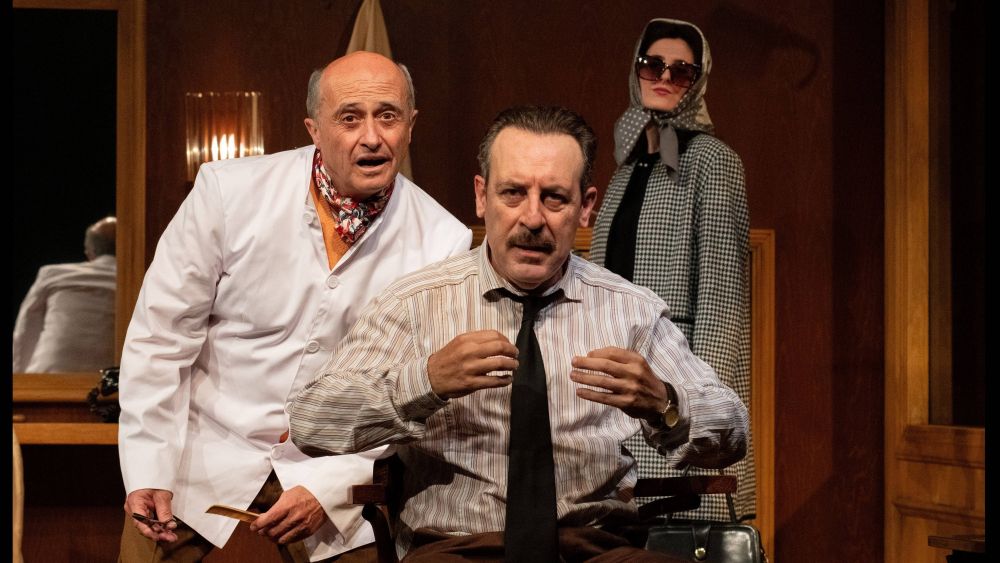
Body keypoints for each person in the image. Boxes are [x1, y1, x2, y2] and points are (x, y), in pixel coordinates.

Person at [289, 106, 749, 562]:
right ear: (481, 196)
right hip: (459, 550)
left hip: (595, 548)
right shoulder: (416, 304)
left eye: (554, 198)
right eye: (513, 193)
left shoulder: (630, 311)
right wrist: (424, 382)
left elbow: (734, 434)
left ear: (586, 207)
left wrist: (665, 403)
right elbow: (311, 422)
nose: (532, 219)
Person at [117, 51, 472, 562]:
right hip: (201, 459)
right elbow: (161, 339)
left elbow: (415, 394)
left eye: (388, 116)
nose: (372, 137)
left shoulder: (442, 240)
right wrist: (149, 467)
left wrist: (329, 487)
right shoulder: (228, 192)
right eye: (349, 118)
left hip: (335, 472)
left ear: (411, 126)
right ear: (314, 129)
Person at [589, 18, 754, 522]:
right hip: (616, 389)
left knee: (677, 535)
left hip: (675, 383)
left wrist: (704, 413)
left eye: (681, 71)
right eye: (652, 65)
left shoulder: (713, 162)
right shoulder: (626, 169)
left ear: (698, 82)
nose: (664, 77)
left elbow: (723, 305)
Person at [13, 216, 117, 373]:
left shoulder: (52, 274)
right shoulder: (139, 281)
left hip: (49, 374)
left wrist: (19, 379)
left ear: (89, 252)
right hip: (111, 379)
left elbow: (26, 328)